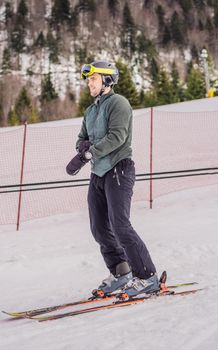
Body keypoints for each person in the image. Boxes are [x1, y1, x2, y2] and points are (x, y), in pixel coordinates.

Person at [66, 61, 159, 298]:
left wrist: (89, 152)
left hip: (119, 168)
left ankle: (147, 276)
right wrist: (82, 146)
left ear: (107, 80)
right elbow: (81, 138)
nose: (89, 83)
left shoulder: (119, 103)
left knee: (120, 225)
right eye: (88, 80)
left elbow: (118, 137)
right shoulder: (91, 110)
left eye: (93, 79)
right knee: (99, 227)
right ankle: (121, 271)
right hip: (98, 173)